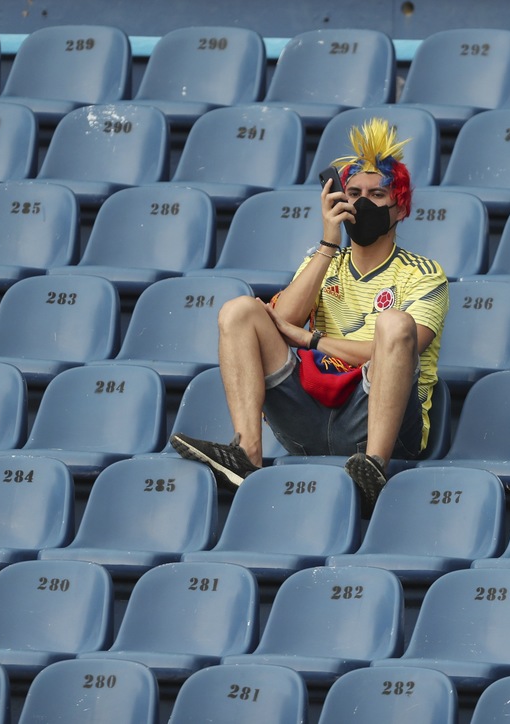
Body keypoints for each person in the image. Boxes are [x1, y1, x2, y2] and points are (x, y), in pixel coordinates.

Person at [170, 117, 448, 511]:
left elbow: (403, 349)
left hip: (377, 420)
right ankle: (247, 455)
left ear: (400, 207)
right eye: (353, 193)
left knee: (394, 324)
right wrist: (328, 244)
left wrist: (312, 340)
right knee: (240, 311)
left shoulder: (424, 273)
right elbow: (280, 321)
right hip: (310, 416)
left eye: (377, 194)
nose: (362, 203)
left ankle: (374, 467)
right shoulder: (322, 261)